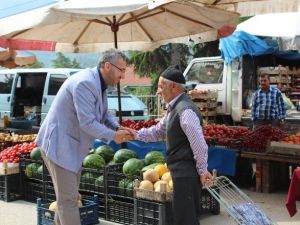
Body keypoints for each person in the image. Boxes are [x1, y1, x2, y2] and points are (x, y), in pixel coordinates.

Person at [35, 48, 134, 225]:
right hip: (59, 145)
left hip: (70, 147)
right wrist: (113, 136)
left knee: (67, 200)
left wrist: (117, 127)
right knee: (69, 201)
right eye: (121, 70)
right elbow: (87, 123)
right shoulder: (85, 83)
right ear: (107, 66)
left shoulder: (99, 83)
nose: (123, 76)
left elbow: (104, 114)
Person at [133, 66, 212, 225]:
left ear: (174, 86)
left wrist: (203, 170)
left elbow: (199, 144)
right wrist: (134, 134)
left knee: (186, 220)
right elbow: (158, 131)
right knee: (182, 217)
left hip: (186, 174)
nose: (158, 91)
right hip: (180, 172)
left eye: (161, 86)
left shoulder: (185, 111)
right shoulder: (174, 108)